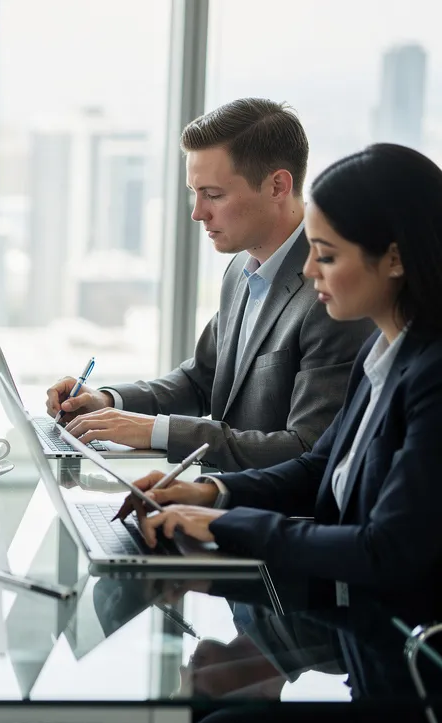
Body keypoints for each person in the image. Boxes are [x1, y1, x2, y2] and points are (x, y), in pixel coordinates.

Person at [119, 143, 442, 723]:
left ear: (395, 259)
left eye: (327, 255)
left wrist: (227, 524)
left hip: (409, 688)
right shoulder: (383, 353)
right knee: (141, 706)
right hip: (358, 634)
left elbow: (385, 550)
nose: (310, 270)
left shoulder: (433, 377)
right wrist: (210, 492)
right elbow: (319, 468)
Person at [45, 99, 374, 471]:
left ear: (278, 186)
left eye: (214, 195)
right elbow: (201, 379)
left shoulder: (332, 296)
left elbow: (306, 449)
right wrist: (108, 402)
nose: (198, 212)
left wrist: (156, 431)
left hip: (270, 504)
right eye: (194, 193)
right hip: (220, 494)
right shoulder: (241, 269)